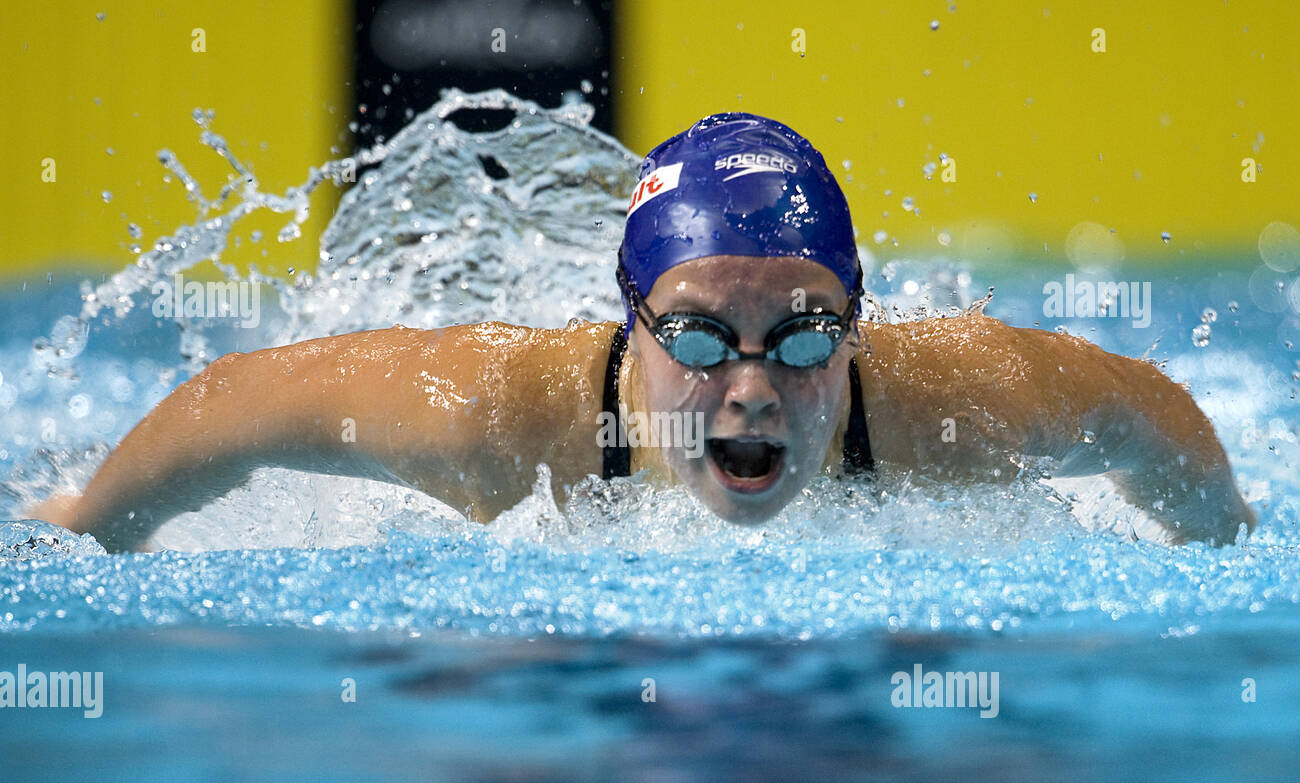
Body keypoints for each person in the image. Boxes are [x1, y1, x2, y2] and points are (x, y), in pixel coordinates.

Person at [30, 113, 1255, 551]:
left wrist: (1226, 543)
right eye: (703, 336)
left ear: (858, 324)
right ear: (631, 324)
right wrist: (86, 525)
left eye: (803, 331)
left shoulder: (959, 403)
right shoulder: (497, 418)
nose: (754, 386)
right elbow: (237, 402)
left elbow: (1150, 415)